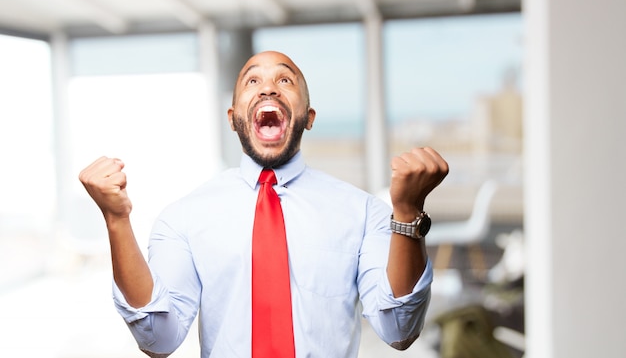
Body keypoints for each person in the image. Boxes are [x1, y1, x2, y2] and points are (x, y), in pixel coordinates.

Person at [79, 51, 449, 358]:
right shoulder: (183, 218)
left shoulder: (362, 212)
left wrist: (408, 213)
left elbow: (399, 330)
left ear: (308, 117)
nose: (268, 87)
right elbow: (157, 340)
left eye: (285, 80)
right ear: (233, 118)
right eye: (252, 81)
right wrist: (116, 220)